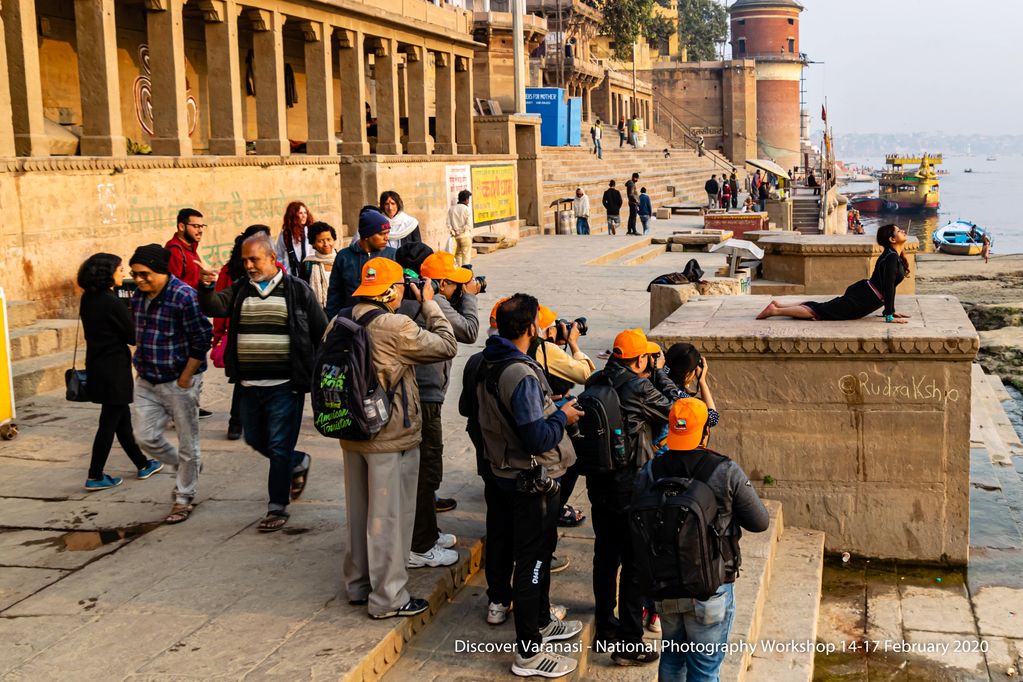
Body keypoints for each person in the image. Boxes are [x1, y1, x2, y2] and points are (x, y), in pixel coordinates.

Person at [462, 294, 584, 678]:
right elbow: (536, 437)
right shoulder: (521, 373)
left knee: (528, 549)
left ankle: (543, 620)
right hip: (529, 478)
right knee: (531, 562)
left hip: (501, 471)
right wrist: (562, 417)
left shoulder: (485, 361)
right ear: (531, 328)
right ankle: (529, 653)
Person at [339, 257, 457, 619]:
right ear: (391, 291)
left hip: (351, 429)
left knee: (359, 513)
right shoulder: (395, 324)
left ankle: (358, 585)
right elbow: (446, 344)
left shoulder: (341, 320)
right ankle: (389, 597)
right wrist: (430, 302)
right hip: (390, 434)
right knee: (390, 517)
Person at [198, 233, 327, 531]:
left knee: (279, 446)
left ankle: (277, 506)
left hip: (285, 385)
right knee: (255, 439)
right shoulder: (241, 289)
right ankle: (297, 461)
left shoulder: (298, 290)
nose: (249, 265)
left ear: (272, 259)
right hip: (248, 386)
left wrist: (320, 372)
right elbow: (215, 306)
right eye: (245, 260)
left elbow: (322, 330)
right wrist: (206, 286)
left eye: (254, 259)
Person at [653, 398, 770, 681]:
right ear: (705, 432)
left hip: (666, 583)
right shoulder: (725, 471)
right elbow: (760, 522)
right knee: (704, 668)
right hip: (711, 584)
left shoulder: (652, 469)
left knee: (671, 656)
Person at [585, 328, 679, 666]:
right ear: (640, 360)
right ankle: (628, 641)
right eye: (647, 358)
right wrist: (662, 374)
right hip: (631, 487)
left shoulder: (596, 379)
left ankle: (605, 627)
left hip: (599, 483)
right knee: (635, 564)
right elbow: (675, 411)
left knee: (605, 557)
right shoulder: (639, 385)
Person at [397, 248, 481, 568]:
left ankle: (426, 533)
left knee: (423, 469)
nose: (460, 288)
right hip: (425, 395)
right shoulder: (434, 300)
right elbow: (469, 331)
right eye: (456, 284)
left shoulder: (410, 297)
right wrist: (470, 297)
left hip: (417, 392)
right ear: (442, 283)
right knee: (427, 469)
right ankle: (421, 546)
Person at [128, 244, 213, 524]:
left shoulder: (183, 296)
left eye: (144, 274)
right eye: (135, 274)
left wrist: (186, 378)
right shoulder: (139, 298)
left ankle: (183, 497)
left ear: (161, 271)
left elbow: (202, 339)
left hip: (179, 380)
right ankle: (186, 465)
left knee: (189, 443)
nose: (138, 280)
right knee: (144, 436)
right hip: (147, 379)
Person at [78, 253, 163, 491]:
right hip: (113, 369)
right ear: (108, 273)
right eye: (120, 269)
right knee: (109, 422)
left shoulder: (89, 298)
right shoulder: (110, 301)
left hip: (98, 364)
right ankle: (95, 475)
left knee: (121, 419)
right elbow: (132, 335)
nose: (123, 274)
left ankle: (143, 463)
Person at [757, 223, 911, 323]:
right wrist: (889, 315)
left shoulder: (892, 256)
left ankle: (781, 306)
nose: (903, 231)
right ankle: (775, 311)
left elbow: (888, 286)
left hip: (866, 295)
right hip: (863, 298)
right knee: (820, 311)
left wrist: (890, 311)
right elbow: (888, 286)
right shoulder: (891, 258)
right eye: (899, 230)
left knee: (825, 308)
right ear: (892, 239)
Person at [212, 224, 273, 440]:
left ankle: (245, 423)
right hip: (245, 333)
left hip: (264, 331)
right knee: (247, 380)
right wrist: (218, 334)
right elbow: (219, 305)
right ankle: (238, 423)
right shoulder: (230, 271)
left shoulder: (276, 269)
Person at [324, 207, 396, 319]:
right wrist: (332, 323)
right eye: (382, 234)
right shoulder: (344, 257)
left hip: (385, 323)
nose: (387, 238)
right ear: (366, 236)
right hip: (352, 322)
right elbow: (335, 294)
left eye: (387, 233)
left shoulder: (393, 256)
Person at [165, 208, 206, 289]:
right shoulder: (175, 250)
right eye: (196, 226)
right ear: (181, 227)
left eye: (202, 226)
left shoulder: (191, 247)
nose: (200, 230)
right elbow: (173, 286)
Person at [301, 221, 337, 309]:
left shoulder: (342, 260)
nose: (326, 244)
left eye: (329, 239)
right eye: (320, 241)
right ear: (313, 243)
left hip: (339, 311)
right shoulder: (308, 264)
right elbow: (302, 291)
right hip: (316, 312)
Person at [276, 201, 314, 276]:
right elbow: (279, 256)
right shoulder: (285, 234)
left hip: (310, 275)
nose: (304, 216)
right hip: (291, 276)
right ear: (293, 215)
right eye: (300, 213)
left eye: (305, 213)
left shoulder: (310, 231)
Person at [447, 189, 474, 268]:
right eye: (468, 199)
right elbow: (469, 224)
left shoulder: (451, 209)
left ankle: (459, 273)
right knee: (466, 256)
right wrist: (461, 231)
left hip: (455, 237)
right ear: (466, 199)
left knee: (458, 255)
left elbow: (448, 224)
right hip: (465, 236)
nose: (468, 201)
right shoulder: (466, 209)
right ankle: (466, 273)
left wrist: (454, 231)